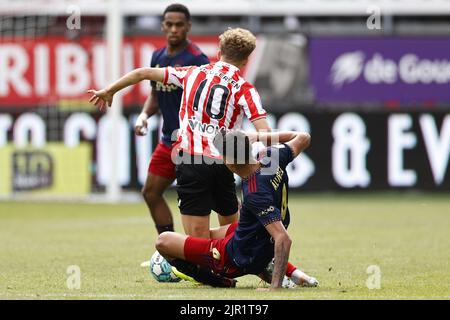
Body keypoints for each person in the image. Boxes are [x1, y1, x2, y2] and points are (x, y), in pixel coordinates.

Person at [88, 28, 271, 240]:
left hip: (190, 160)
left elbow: (142, 73)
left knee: (196, 239)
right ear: (246, 60)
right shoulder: (245, 89)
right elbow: (264, 133)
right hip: (222, 162)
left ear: (219, 51)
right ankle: (237, 261)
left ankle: (176, 253)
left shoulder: (191, 73)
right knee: (233, 233)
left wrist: (109, 90)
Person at [154, 130, 318, 289]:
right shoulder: (271, 158)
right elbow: (303, 137)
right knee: (207, 235)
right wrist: (260, 136)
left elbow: (283, 238)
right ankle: (293, 272)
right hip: (256, 236)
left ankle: (220, 280)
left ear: (230, 163)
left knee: (163, 241)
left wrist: (274, 288)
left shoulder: (255, 191)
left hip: (238, 258)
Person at [135, 4, 209, 236]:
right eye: (169, 24)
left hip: (193, 146)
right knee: (150, 192)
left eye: (179, 25)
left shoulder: (197, 59)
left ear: (188, 26)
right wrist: (144, 115)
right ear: (162, 26)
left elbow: (206, 102)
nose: (174, 29)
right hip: (168, 142)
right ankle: (168, 253)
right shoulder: (157, 56)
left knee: (207, 201)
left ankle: (219, 253)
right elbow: (156, 94)